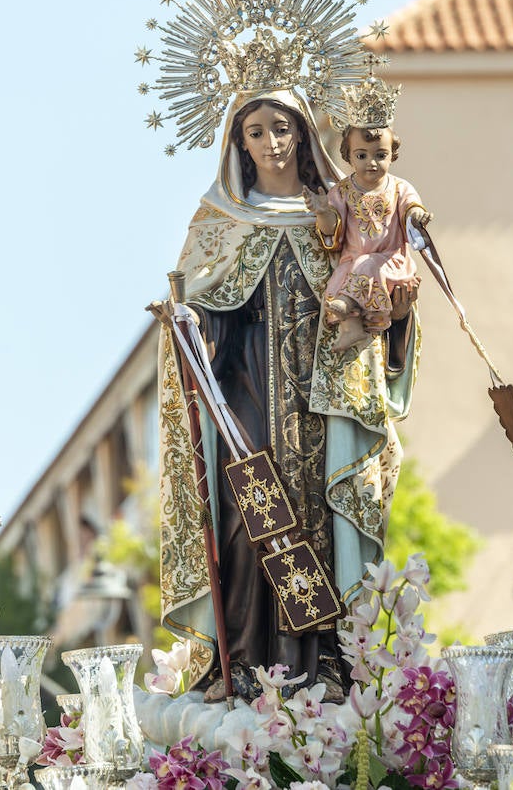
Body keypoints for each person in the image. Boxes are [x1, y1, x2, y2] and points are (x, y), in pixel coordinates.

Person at [154, 88, 421, 703]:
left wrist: (390, 305)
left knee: (319, 514)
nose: (271, 142)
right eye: (256, 131)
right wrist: (190, 321)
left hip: (323, 395)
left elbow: (383, 273)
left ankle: (328, 660)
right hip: (244, 393)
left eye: (282, 128)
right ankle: (246, 657)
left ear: (303, 133)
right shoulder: (220, 219)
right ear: (238, 143)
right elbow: (202, 307)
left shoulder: (336, 210)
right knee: (253, 512)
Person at [303, 120, 431, 352]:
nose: (371, 163)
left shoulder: (399, 188)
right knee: (341, 278)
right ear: (348, 157)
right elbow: (333, 231)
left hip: (391, 262)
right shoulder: (341, 191)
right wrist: (322, 212)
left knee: (364, 265)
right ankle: (352, 329)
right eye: (362, 156)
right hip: (353, 263)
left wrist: (417, 215)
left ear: (392, 155)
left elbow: (411, 208)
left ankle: (350, 305)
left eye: (380, 155)